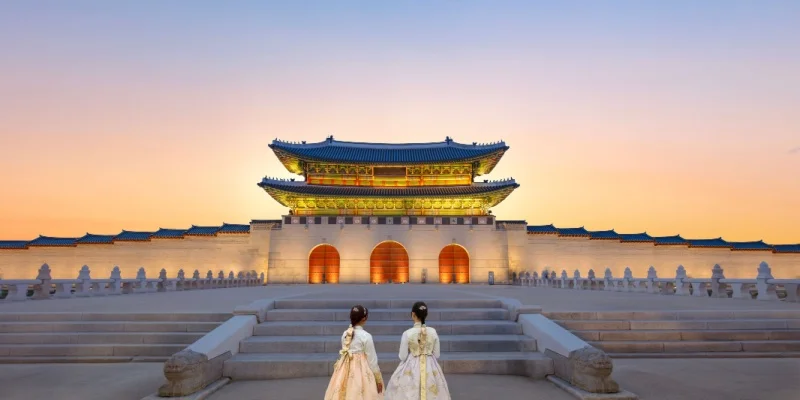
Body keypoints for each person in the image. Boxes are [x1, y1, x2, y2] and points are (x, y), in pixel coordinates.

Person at [384, 301, 451, 400]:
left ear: (413, 314)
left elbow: (402, 356)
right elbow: (436, 355)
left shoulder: (407, 333)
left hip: (412, 364)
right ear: (426, 315)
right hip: (429, 364)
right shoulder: (432, 332)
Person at [324, 304, 384, 400]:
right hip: (361, 370)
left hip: (344, 368)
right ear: (364, 318)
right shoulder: (366, 336)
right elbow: (372, 360)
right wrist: (378, 378)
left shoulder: (345, 334)